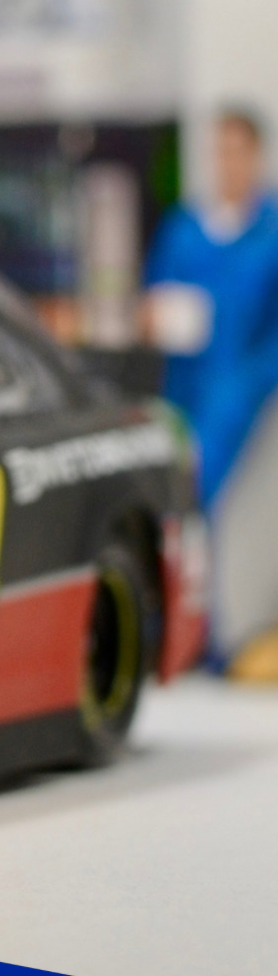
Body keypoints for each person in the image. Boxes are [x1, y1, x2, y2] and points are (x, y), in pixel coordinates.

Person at [144, 108, 278, 675]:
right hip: (184, 381)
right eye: (220, 151)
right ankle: (185, 632)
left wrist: (253, 378)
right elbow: (156, 294)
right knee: (181, 501)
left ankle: (206, 630)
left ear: (256, 156)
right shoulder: (185, 227)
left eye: (237, 151)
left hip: (236, 386)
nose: (228, 163)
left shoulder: (269, 230)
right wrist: (160, 317)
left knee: (200, 494)